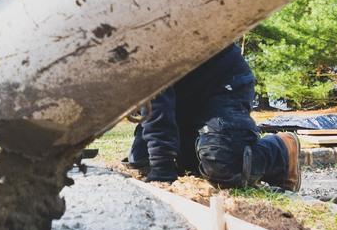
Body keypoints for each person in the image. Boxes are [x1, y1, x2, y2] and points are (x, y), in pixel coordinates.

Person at [126, 43, 300, 190]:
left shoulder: (144, 32)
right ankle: (202, 153)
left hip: (222, 85)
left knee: (221, 163)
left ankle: (281, 150)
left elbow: (157, 97)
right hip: (182, 96)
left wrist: (162, 164)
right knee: (141, 158)